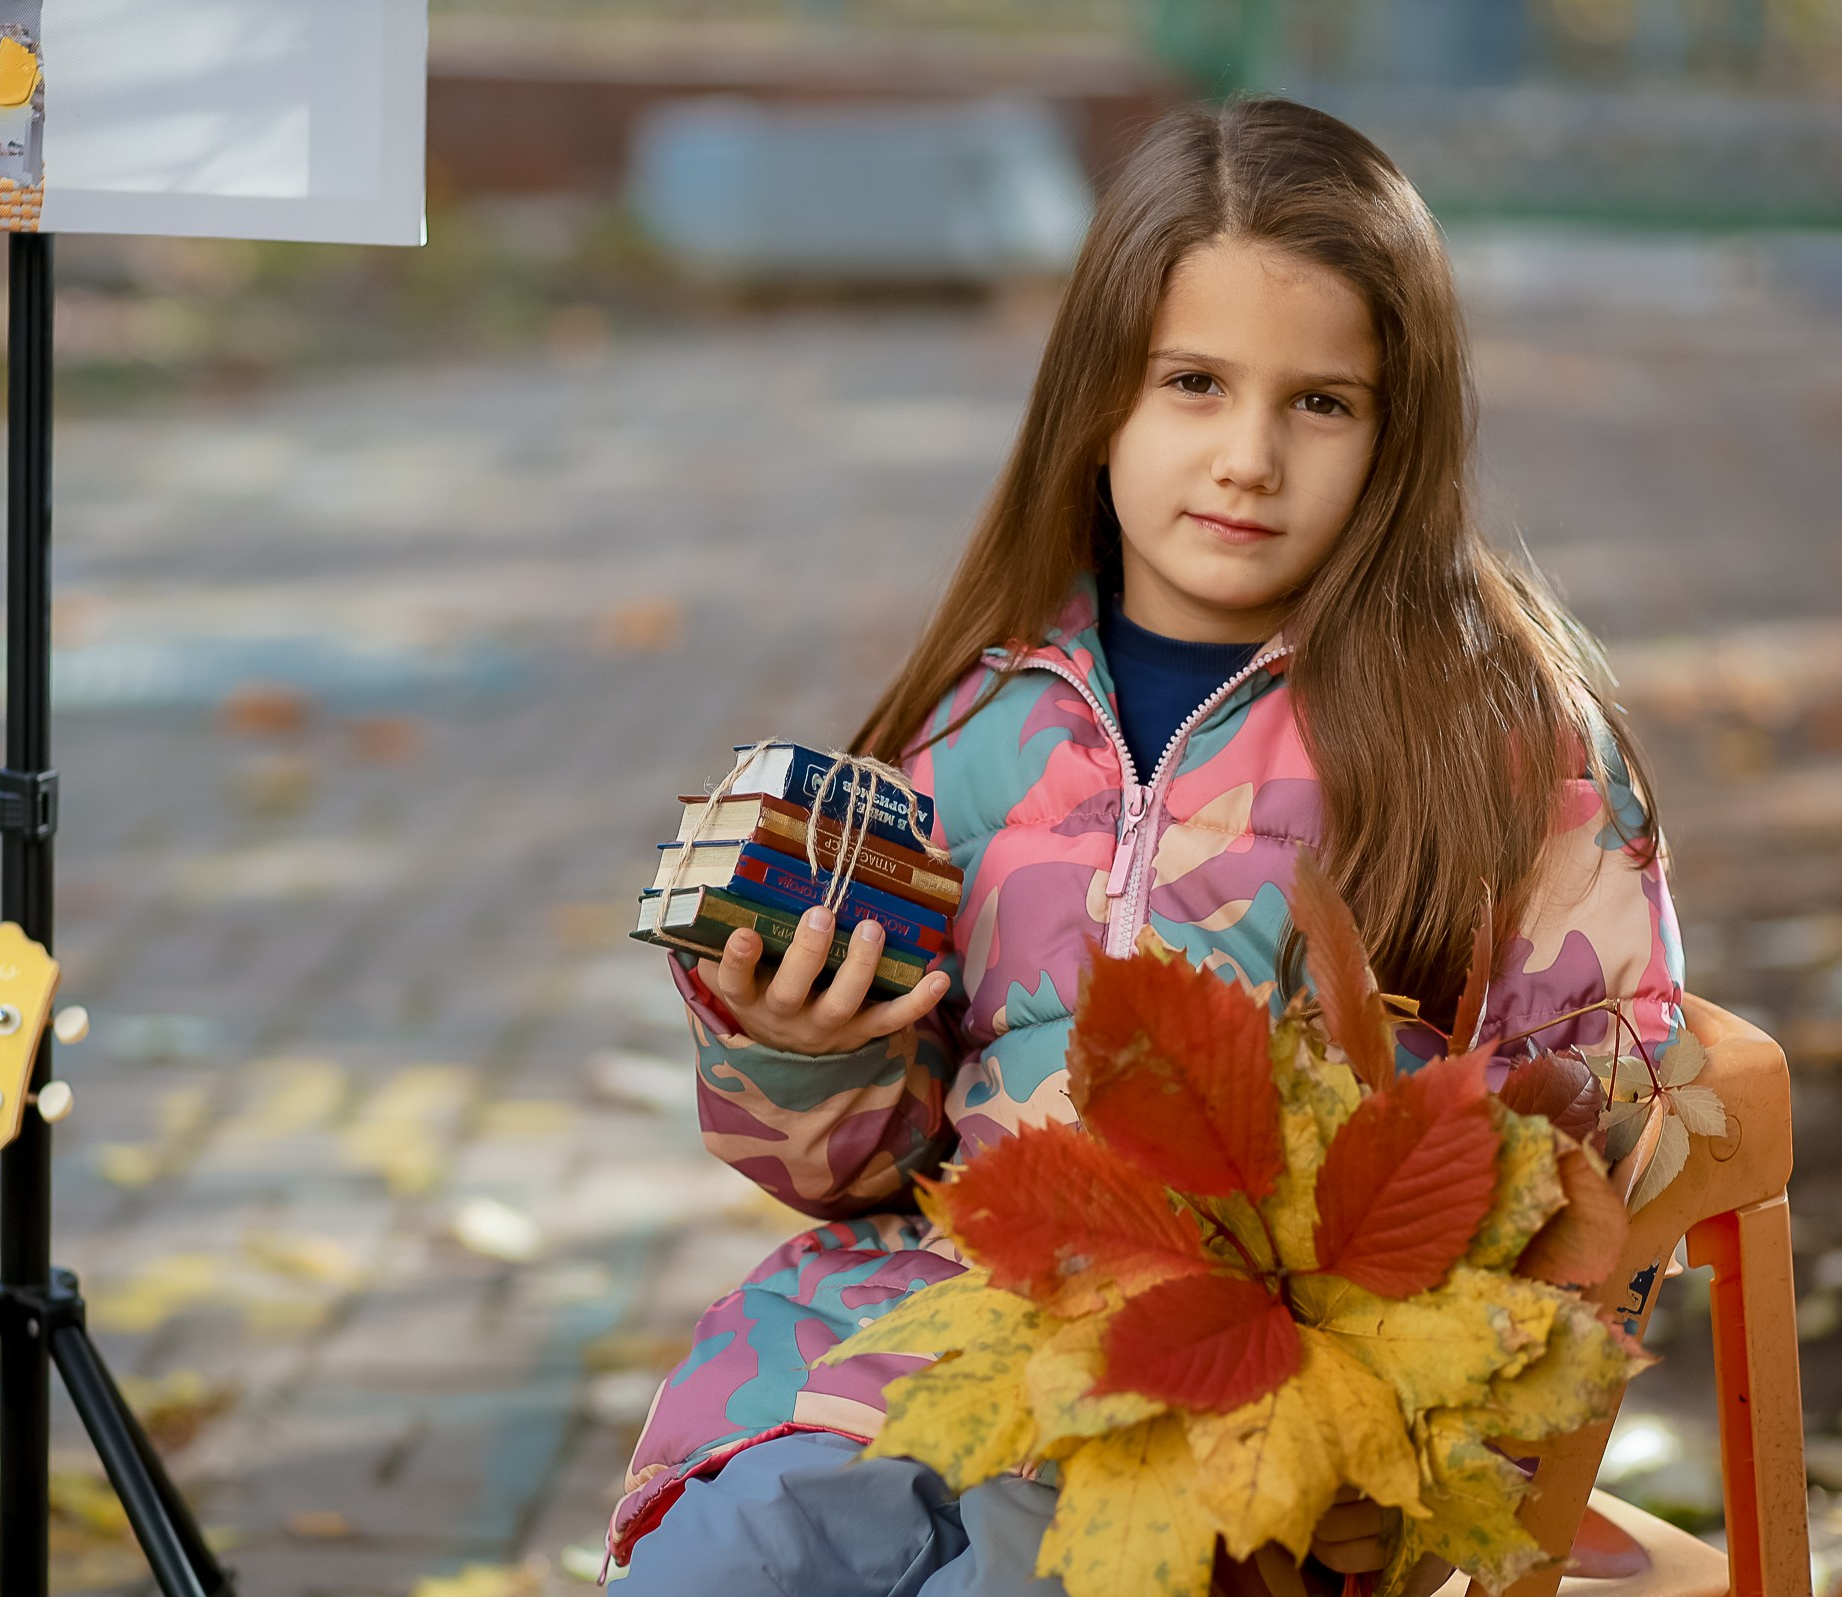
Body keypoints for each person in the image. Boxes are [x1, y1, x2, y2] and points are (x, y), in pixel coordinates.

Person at [610, 97, 1684, 1596]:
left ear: (1402, 430)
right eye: (1194, 384)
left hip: (1247, 1410)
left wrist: (1395, 1342)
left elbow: (1608, 1105)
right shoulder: (969, 723)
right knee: (726, 1556)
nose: (1248, 457)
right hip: (917, 1342)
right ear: (1098, 396)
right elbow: (877, 1165)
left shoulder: (1490, 740)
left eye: (1322, 403)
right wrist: (804, 1053)